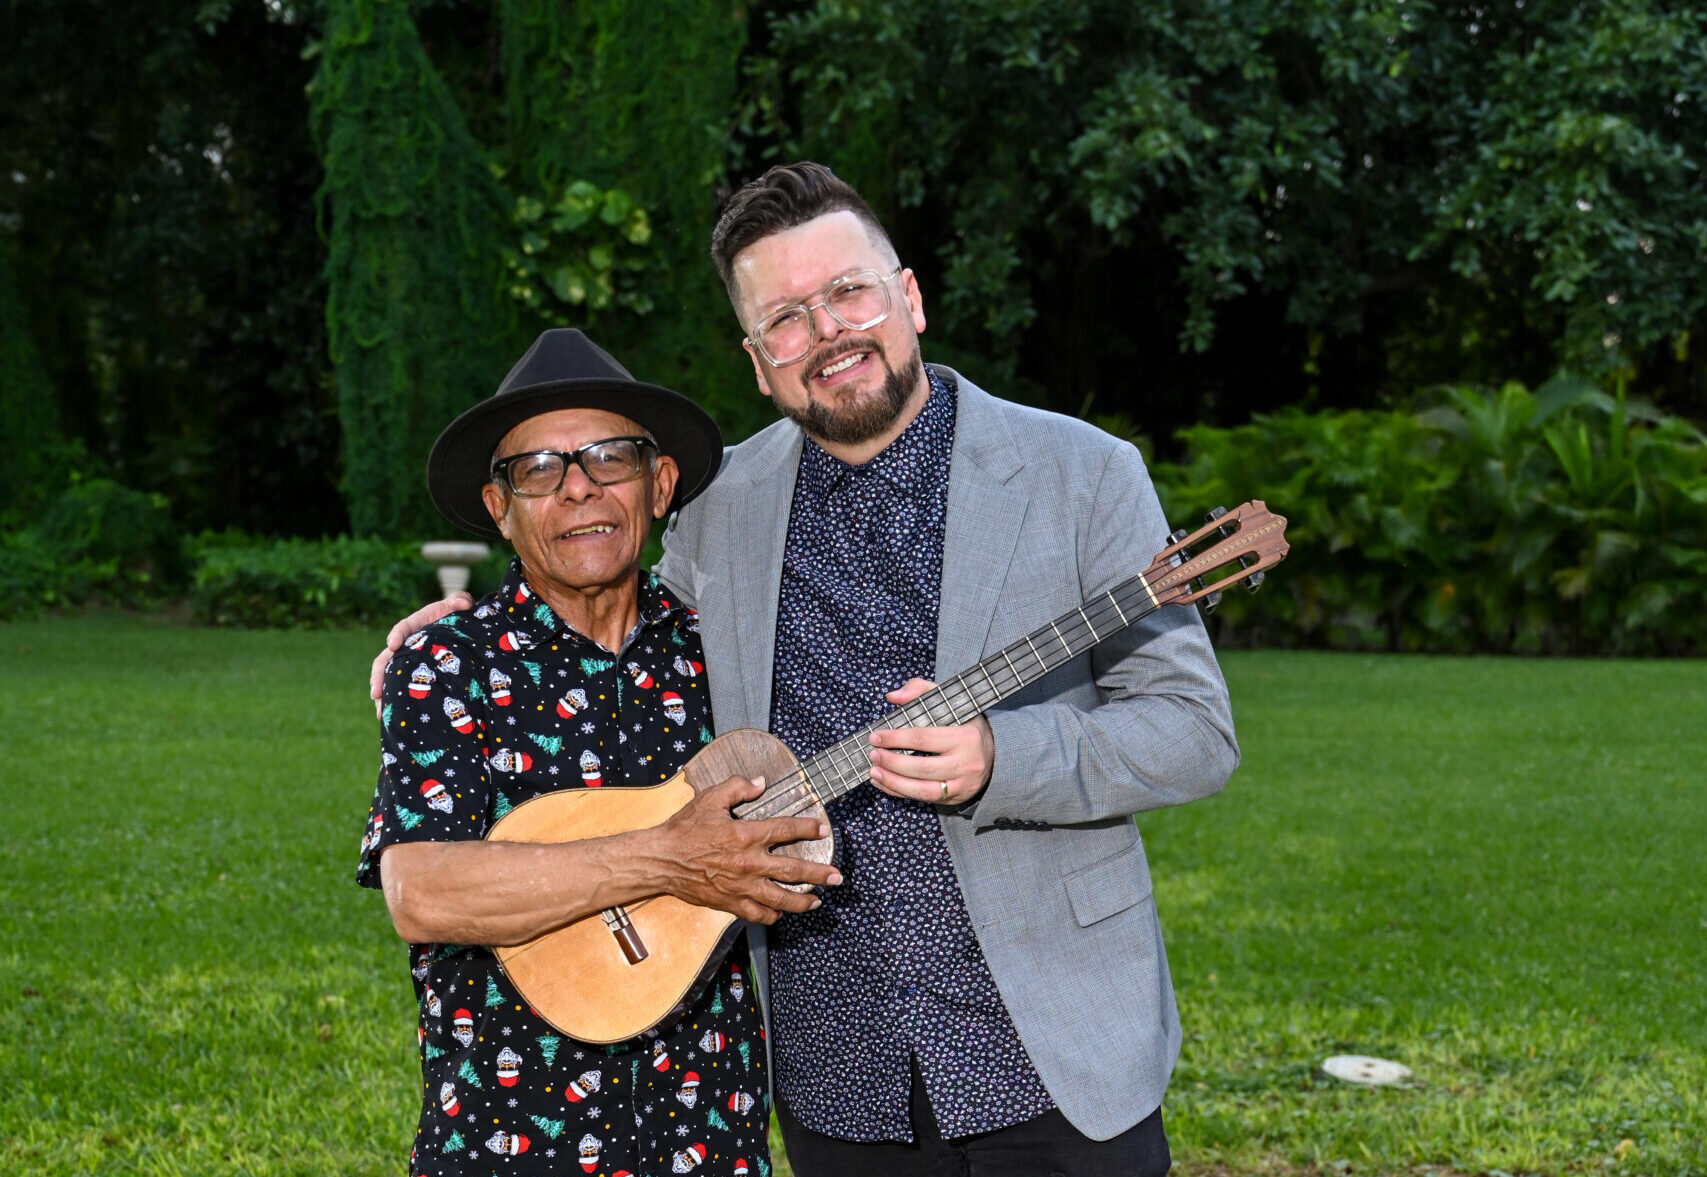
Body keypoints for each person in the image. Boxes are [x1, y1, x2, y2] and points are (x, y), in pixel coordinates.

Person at [379, 162, 1239, 1177]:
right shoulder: (716, 511)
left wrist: (1005, 755)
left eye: (848, 292)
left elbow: (1194, 730)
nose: (826, 331)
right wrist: (439, 644)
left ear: (907, 296)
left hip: (1047, 1042)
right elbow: (598, 619)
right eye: (785, 317)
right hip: (836, 1067)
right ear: (757, 361)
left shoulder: (1084, 472)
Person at [358, 328, 839, 1177]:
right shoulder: (449, 663)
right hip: (508, 1138)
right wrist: (667, 857)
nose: (578, 488)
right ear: (499, 508)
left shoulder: (720, 652)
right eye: (538, 469)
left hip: (708, 1132)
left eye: (608, 457)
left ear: (658, 485)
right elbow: (421, 892)